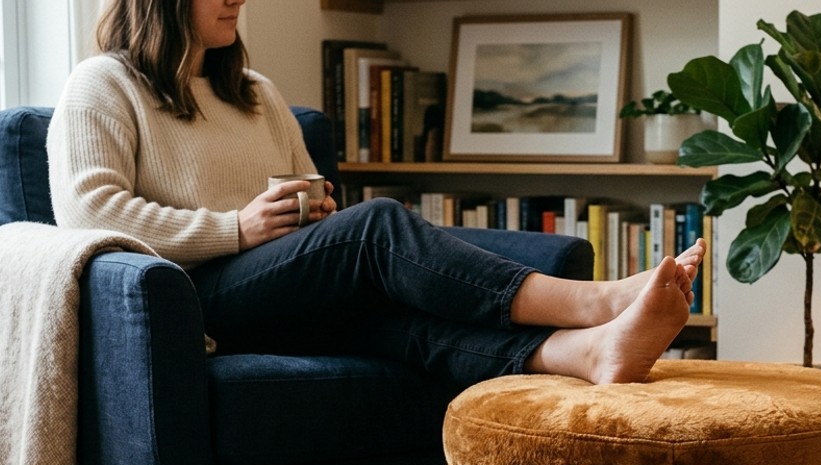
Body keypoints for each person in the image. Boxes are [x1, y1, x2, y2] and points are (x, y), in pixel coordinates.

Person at [47, 0, 704, 387]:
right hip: (194, 299)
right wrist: (234, 229)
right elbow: (89, 213)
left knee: (397, 316)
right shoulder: (102, 85)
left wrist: (315, 210)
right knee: (378, 224)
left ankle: (586, 352)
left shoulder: (254, 91)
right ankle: (596, 303)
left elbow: (306, 186)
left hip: (281, 281)